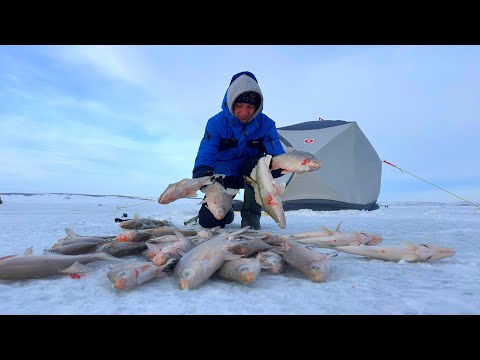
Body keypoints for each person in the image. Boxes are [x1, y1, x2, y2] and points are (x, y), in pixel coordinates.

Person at [192, 71, 285, 230]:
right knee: (209, 222)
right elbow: (207, 150)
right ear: (231, 101)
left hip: (250, 174)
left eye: (250, 107)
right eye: (239, 105)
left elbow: (276, 152)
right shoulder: (216, 123)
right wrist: (201, 170)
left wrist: (278, 166)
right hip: (223, 177)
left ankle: (251, 218)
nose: (244, 112)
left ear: (257, 106)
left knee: (258, 165)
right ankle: (227, 211)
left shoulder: (267, 124)